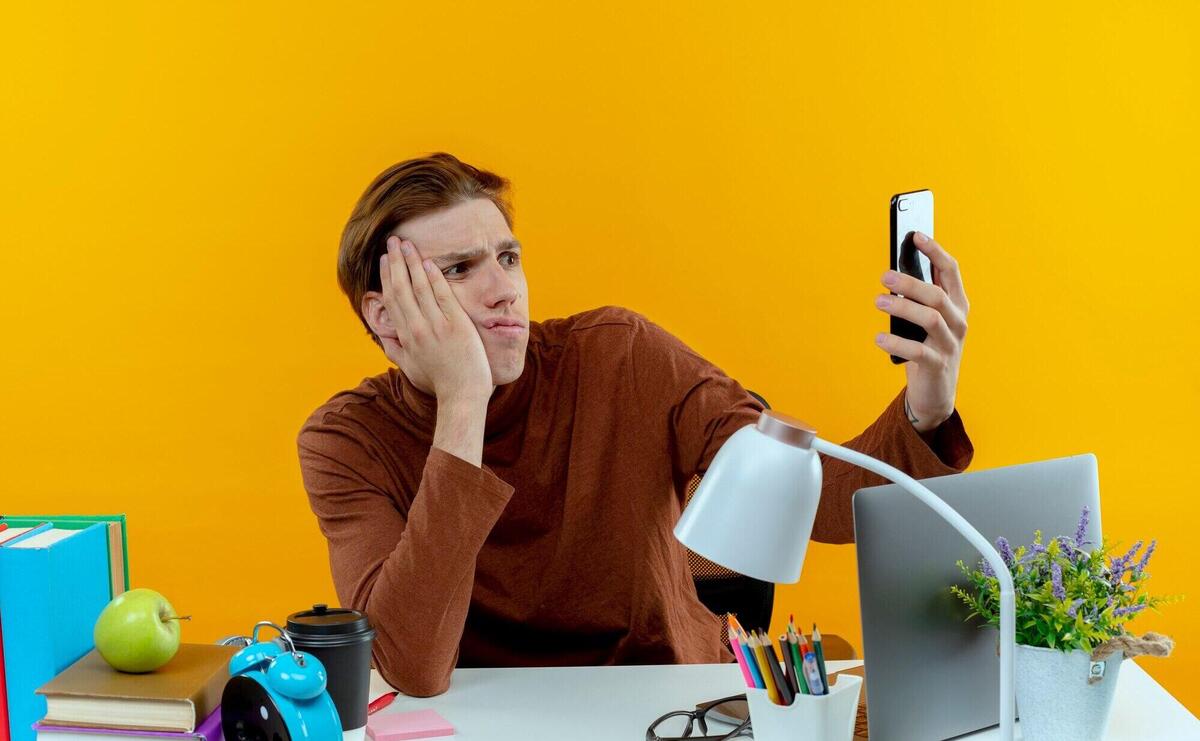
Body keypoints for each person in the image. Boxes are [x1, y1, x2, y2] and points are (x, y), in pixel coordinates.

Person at [297, 152, 974, 697]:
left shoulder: (619, 354)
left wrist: (928, 406)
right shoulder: (345, 441)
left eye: (508, 257)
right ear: (387, 317)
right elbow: (409, 664)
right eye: (460, 269)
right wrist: (463, 400)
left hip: (665, 702)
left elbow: (821, 504)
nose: (506, 288)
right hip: (487, 717)